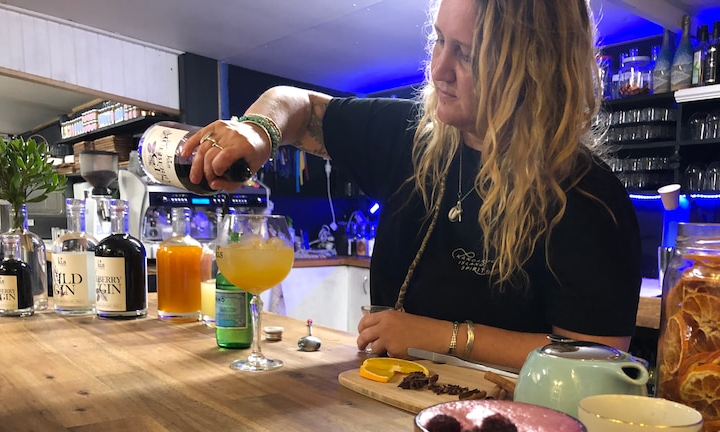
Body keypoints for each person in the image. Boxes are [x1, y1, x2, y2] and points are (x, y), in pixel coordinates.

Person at [181, 0, 642, 371]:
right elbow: (296, 104)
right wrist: (260, 130)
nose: (439, 70)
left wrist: (445, 337)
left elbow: (598, 361)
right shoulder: (411, 138)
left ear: (534, 69)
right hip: (388, 407)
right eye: (440, 41)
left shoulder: (587, 198)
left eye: (467, 53)